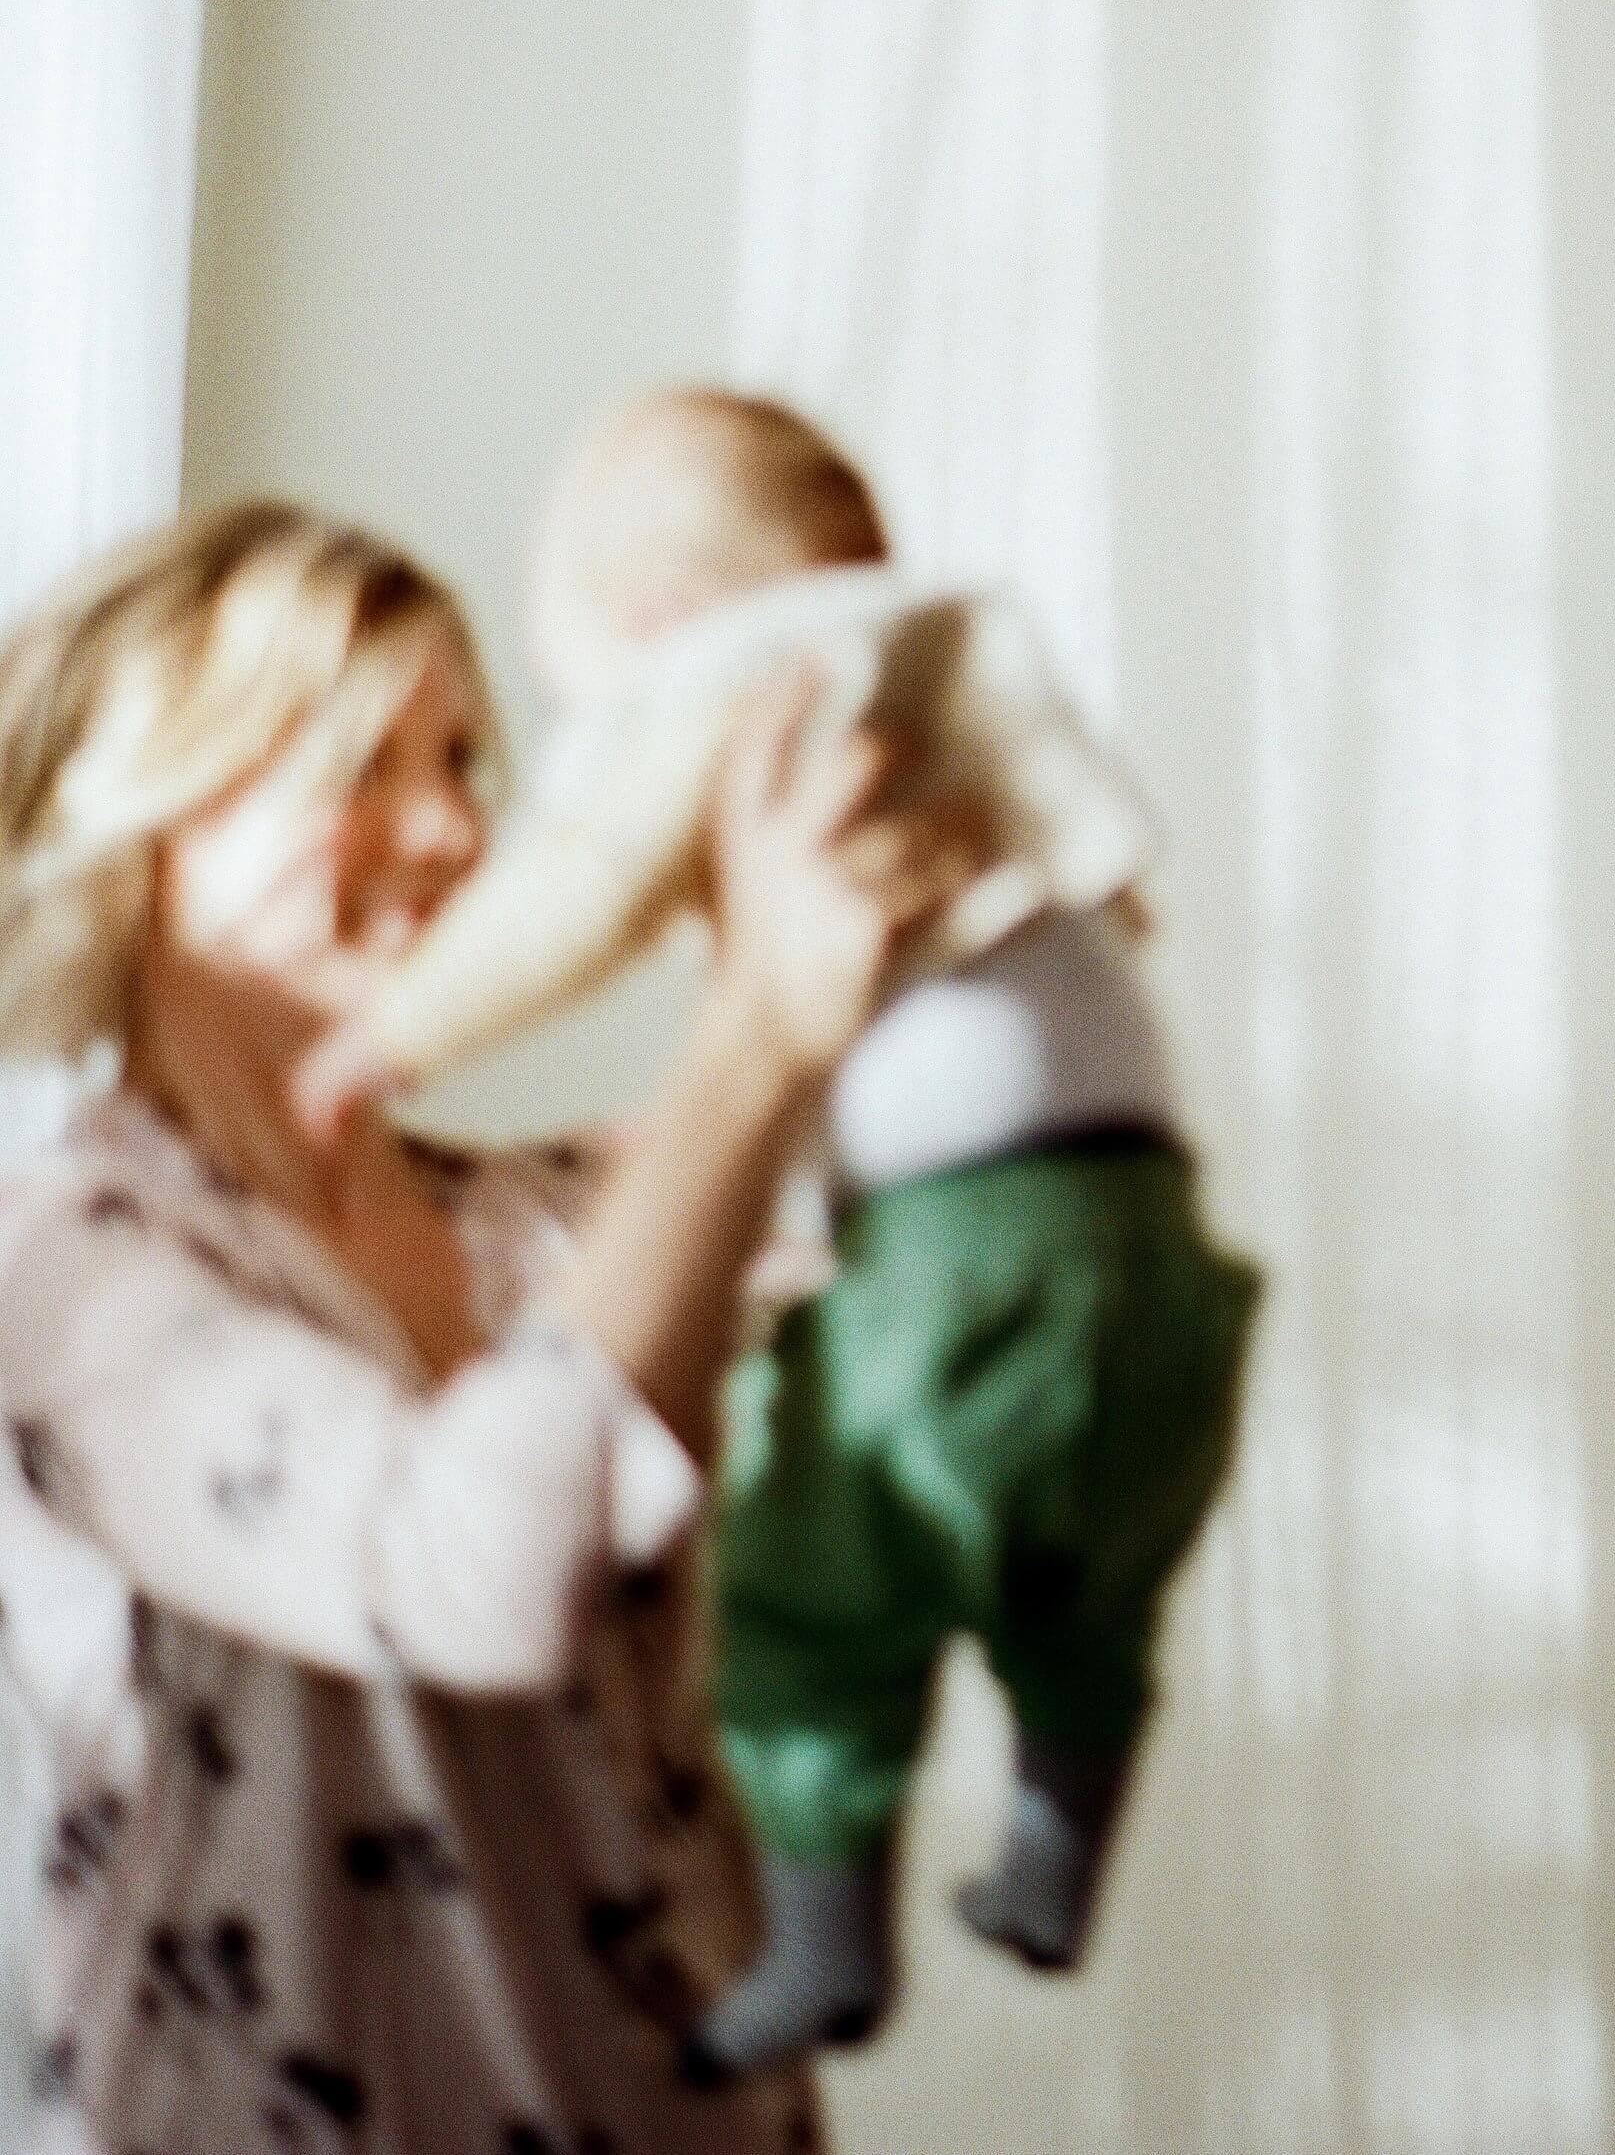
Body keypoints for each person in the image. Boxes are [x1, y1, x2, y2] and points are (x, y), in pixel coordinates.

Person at [294, 390, 1262, 2082]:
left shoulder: (727, 688)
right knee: (1084, 1579)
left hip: (958, 1241)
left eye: (528, 716)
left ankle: (827, 1938)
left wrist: (394, 1036)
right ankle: (1055, 1851)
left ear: (659, 625)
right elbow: (1105, 856)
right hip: (1149, 1225)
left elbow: (576, 892)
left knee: (823, 1587)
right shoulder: (954, 646)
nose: (471, 820)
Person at [0, 497, 973, 2155]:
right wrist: (748, 1041)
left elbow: (942, 1270)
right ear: (149, 802)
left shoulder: (539, 1219)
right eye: (370, 763)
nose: (454, 828)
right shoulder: (68, 1260)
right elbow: (469, 1574)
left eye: (466, 763)